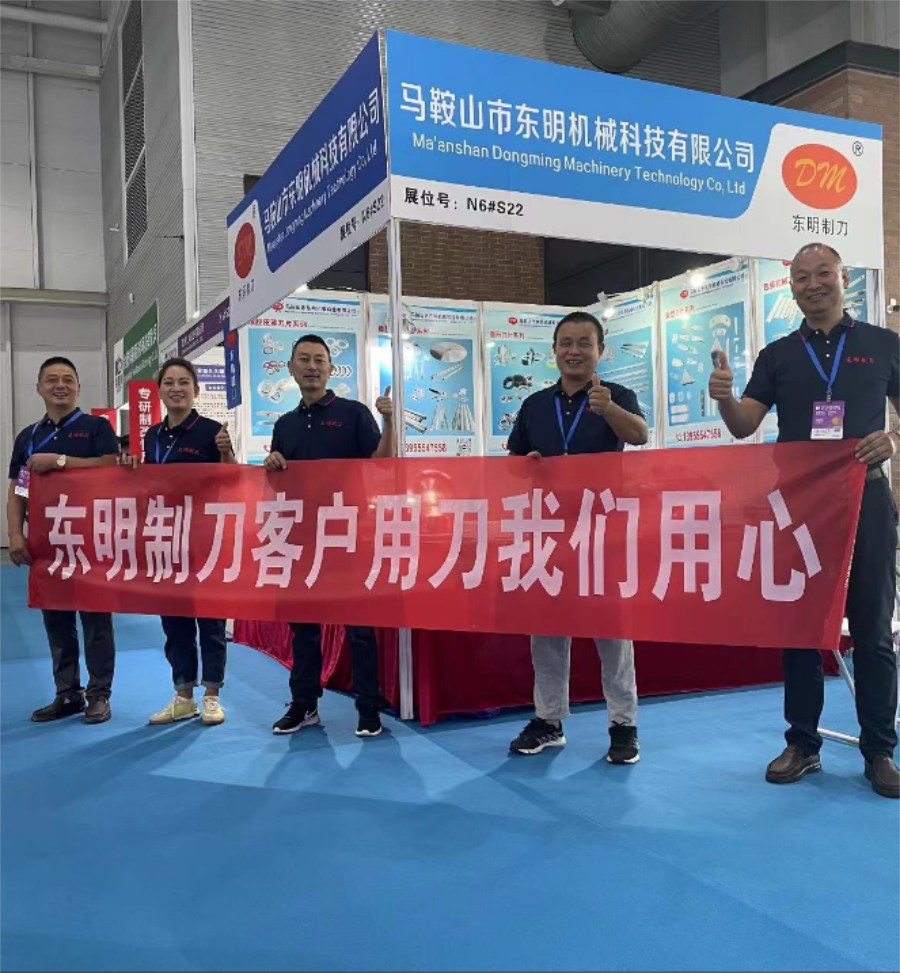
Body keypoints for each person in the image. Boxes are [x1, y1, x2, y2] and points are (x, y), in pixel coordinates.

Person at [709, 242, 900, 799]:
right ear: (790, 287)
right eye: (801, 277)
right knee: (799, 629)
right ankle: (802, 744)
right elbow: (744, 424)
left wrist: (892, 438)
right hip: (797, 507)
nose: (813, 284)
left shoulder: (883, 344)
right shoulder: (777, 355)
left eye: (823, 274)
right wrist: (724, 398)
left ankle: (880, 750)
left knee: (873, 629)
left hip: (866, 500)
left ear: (844, 279)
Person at [506, 311, 649, 762]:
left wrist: (608, 410)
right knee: (548, 631)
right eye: (566, 342)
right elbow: (512, 463)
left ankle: (623, 725)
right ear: (554, 350)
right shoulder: (535, 405)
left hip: (603, 530)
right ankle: (548, 720)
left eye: (584, 343)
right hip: (549, 530)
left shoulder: (617, 395)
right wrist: (526, 465)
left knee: (612, 632)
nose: (574, 351)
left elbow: (640, 436)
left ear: (600, 350)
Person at [264, 334, 395, 737]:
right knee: (303, 628)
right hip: (301, 538)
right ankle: (304, 704)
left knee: (359, 628)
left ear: (330, 369)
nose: (311, 366)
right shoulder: (285, 424)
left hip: (347, 535)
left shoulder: (353, 414)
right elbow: (278, 484)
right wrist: (272, 463)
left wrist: (389, 421)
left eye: (319, 359)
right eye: (303, 359)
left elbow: (382, 462)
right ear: (291, 369)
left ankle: (368, 708)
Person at [121, 357, 236, 727]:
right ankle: (183, 695)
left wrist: (226, 452)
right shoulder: (152, 436)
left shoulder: (213, 431)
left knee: (211, 622)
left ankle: (212, 696)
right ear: (159, 391)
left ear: (195, 390)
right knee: (174, 623)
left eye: (184, 382)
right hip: (166, 541)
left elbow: (232, 480)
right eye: (169, 382)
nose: (176, 389)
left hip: (204, 540)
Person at [6, 357, 120, 724]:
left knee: (96, 619)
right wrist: (15, 533)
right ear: (39, 387)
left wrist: (60, 462)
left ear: (78, 387)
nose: (60, 385)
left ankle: (99, 694)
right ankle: (67, 692)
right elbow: (20, 488)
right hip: (48, 544)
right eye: (52, 379)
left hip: (92, 542)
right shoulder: (28, 437)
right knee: (56, 619)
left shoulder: (96, 427)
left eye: (68, 379)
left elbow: (112, 467)